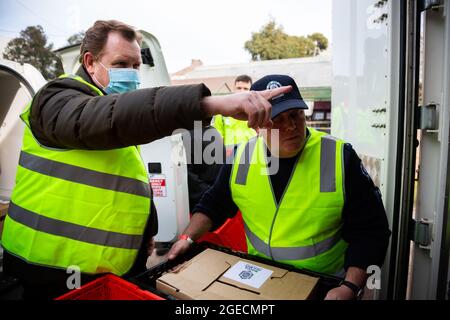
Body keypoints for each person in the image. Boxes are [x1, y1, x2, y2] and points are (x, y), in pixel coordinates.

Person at [0, 20, 291, 300]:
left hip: (105, 267)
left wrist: (144, 235)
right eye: (120, 65)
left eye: (136, 66)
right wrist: (209, 103)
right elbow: (110, 116)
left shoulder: (109, 113)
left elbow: (119, 181)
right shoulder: (56, 100)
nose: (132, 74)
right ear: (89, 62)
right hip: (50, 269)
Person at [168, 74, 391, 300]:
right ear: (256, 126)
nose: (291, 126)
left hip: (323, 286)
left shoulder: (339, 157)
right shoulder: (241, 158)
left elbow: (371, 230)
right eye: (277, 120)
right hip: (260, 280)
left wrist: (349, 287)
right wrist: (186, 239)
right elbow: (213, 204)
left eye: (296, 115)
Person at [213, 75, 257, 151]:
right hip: (230, 154)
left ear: (251, 91)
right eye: (239, 88)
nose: (241, 91)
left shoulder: (257, 110)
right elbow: (218, 137)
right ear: (234, 89)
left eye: (246, 89)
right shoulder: (222, 111)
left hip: (252, 152)